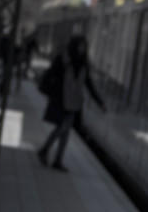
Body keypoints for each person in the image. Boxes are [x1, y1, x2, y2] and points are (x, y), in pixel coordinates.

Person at [36, 36, 105, 172]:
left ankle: (57, 159)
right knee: (62, 128)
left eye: (84, 46)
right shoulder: (62, 59)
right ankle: (44, 150)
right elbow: (49, 75)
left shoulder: (84, 64)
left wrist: (100, 102)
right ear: (74, 46)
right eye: (80, 46)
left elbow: (88, 84)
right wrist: (50, 92)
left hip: (74, 103)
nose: (82, 49)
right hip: (61, 100)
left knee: (66, 131)